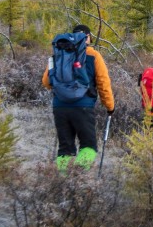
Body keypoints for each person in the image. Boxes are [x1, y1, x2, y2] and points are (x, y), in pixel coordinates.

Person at [42, 25, 115, 174]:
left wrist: (63, 91)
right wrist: (109, 106)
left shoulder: (59, 53)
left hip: (59, 107)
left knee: (65, 147)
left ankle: (63, 181)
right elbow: (103, 83)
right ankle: (79, 176)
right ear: (88, 37)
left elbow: (46, 82)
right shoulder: (93, 55)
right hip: (83, 107)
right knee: (89, 146)